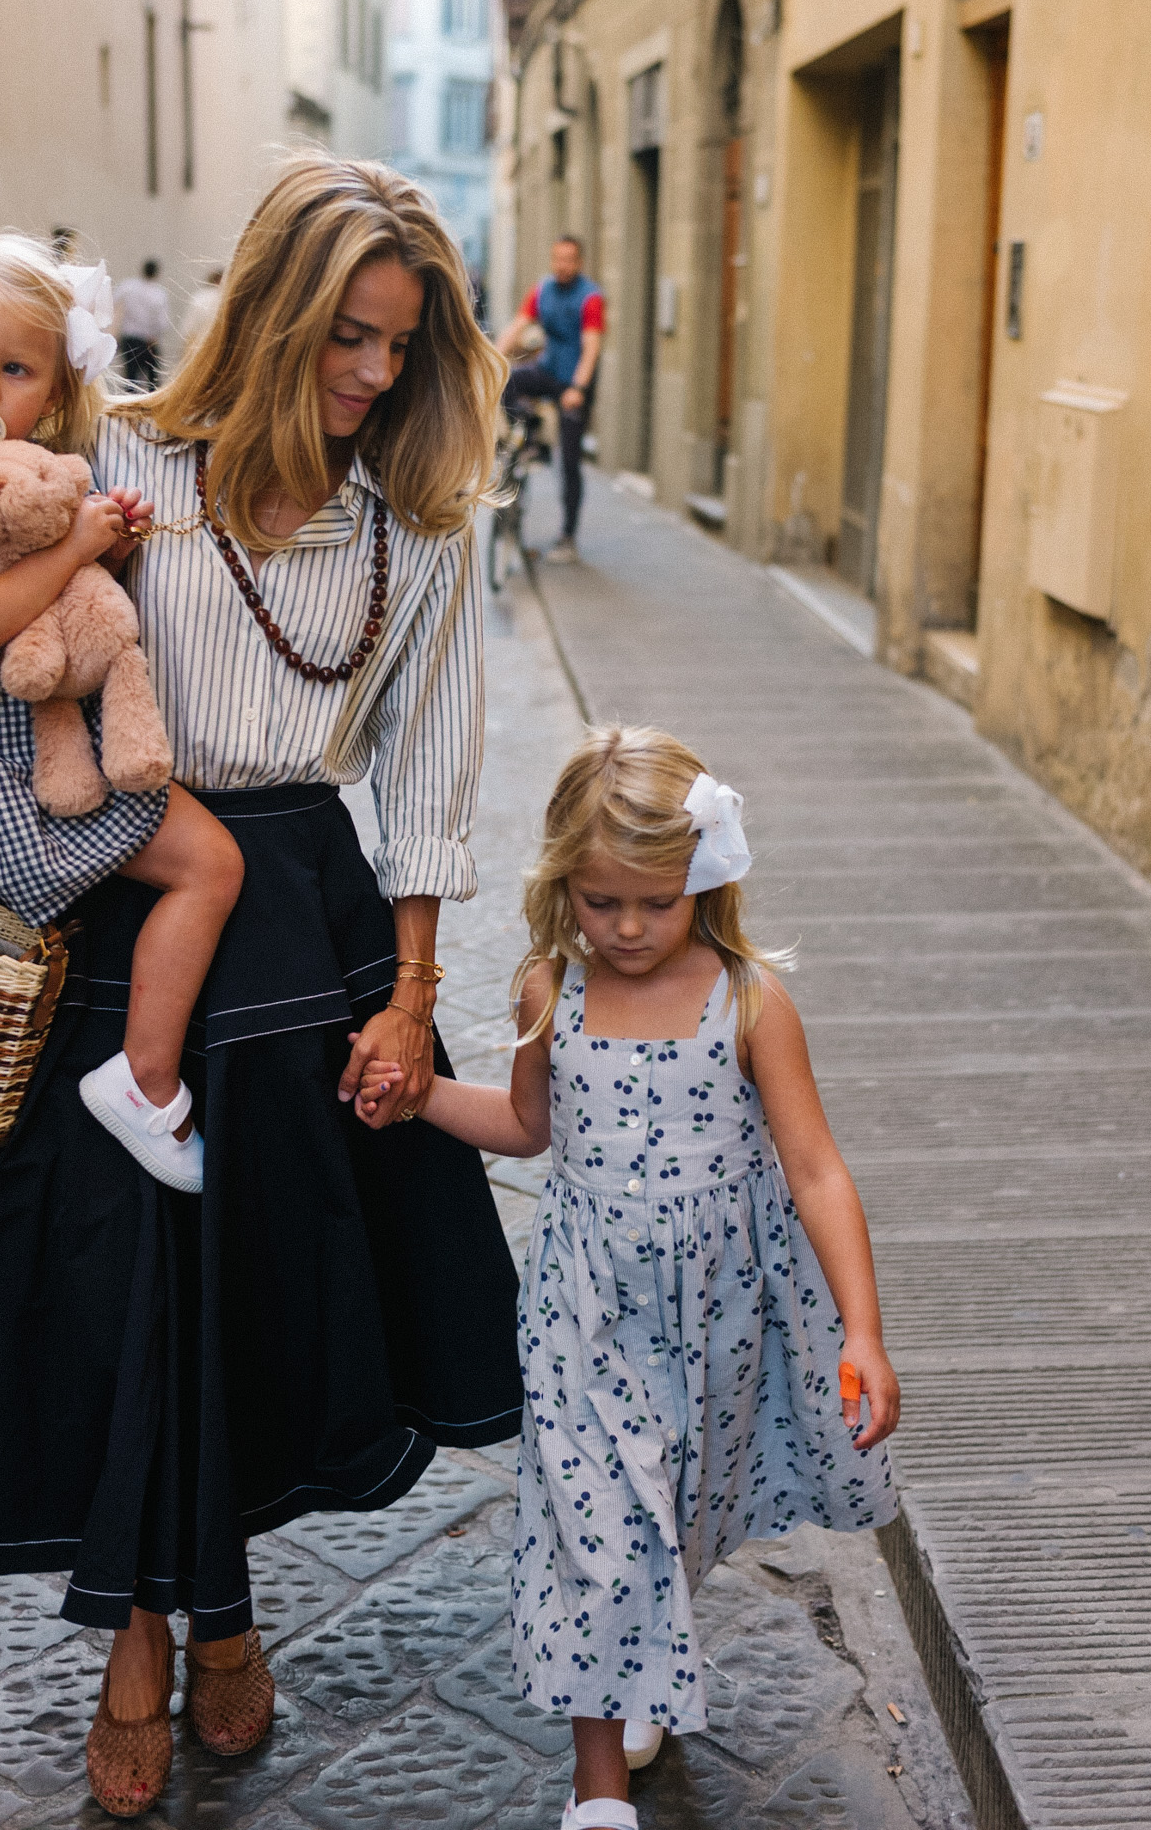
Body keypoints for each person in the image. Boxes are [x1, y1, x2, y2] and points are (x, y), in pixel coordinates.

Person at [0, 160, 523, 1819]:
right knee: (129, 1300)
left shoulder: (412, 522)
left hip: (306, 922)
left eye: (400, 349)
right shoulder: (124, 455)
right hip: (120, 897)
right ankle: (161, 1641)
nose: (371, 376)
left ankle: (212, 1617)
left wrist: (414, 992)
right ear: (280, 315)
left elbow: (432, 758)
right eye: (349, 338)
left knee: (254, 1301)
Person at [356, 725, 900, 1830]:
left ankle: (634, 1662)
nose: (630, 927)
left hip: (717, 1322)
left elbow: (815, 1171)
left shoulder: (751, 1005)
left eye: (655, 901)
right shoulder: (545, 993)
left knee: (673, 1525)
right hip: (582, 1317)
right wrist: (415, 1100)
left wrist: (862, 1332)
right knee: (591, 1534)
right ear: (566, 888)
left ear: (702, 878)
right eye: (602, 903)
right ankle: (597, 1792)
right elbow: (521, 1125)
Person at [0, 233, 243, 1192]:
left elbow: (49, 607)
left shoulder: (28, 473)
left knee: (201, 869)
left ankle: (129, 1071)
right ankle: (144, 1081)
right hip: (1, 762)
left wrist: (106, 551)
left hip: (43, 739)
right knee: (211, 865)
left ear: (56, 394)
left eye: (15, 366)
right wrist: (72, 550)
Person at [498, 235, 605, 564]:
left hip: (574, 381)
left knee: (570, 462)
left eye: (569, 259)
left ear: (579, 262)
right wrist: (492, 361)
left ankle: (568, 538)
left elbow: (591, 348)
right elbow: (517, 327)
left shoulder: (591, 298)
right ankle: (529, 437)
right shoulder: (541, 290)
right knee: (510, 381)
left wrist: (579, 389)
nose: (563, 265)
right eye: (558, 258)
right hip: (547, 370)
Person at [115, 258, 171, 389]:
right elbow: (162, 322)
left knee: (131, 377)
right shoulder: (159, 294)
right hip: (148, 340)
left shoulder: (128, 287)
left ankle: (128, 404)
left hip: (129, 338)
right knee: (152, 379)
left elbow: (116, 303)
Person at [179, 267, 224, 357]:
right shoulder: (222, 298)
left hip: (194, 344)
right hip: (214, 348)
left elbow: (187, 327)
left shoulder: (198, 296)